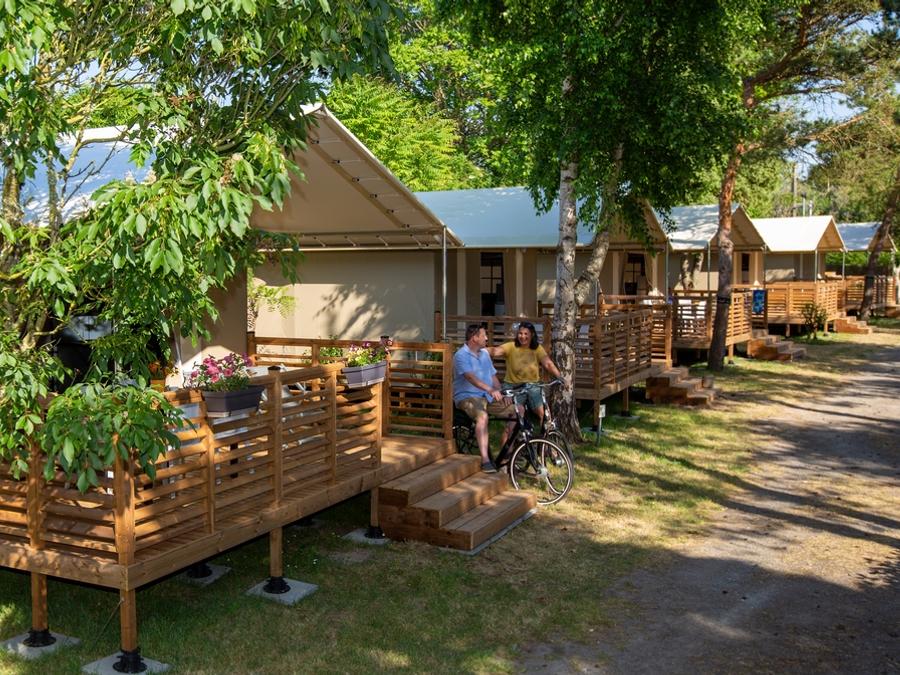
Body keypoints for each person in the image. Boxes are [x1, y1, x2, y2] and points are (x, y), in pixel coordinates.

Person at [489, 321, 562, 444]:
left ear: (532, 334)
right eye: (520, 333)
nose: (522, 336)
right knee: (512, 423)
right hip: (513, 387)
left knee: (545, 416)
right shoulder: (511, 347)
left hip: (532, 386)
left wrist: (559, 376)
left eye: (526, 334)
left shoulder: (537, 348)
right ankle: (507, 451)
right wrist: (479, 351)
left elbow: (548, 364)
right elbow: (495, 351)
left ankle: (544, 446)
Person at [452, 323, 511, 473]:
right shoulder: (460, 355)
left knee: (518, 410)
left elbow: (493, 377)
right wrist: (490, 389)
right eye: (484, 335)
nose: (486, 338)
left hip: (487, 396)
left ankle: (506, 455)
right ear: (474, 338)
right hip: (468, 396)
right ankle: (485, 461)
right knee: (482, 417)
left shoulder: (484, 354)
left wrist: (502, 393)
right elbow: (470, 378)